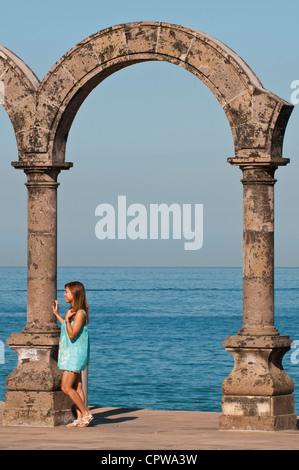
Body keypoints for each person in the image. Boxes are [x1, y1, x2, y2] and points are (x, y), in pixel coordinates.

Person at [52, 281, 93, 428]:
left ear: (75, 294)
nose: (64, 294)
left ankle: (86, 413)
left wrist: (68, 319)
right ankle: (81, 418)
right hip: (72, 354)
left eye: (67, 292)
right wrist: (58, 315)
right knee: (77, 387)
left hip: (74, 356)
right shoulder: (74, 310)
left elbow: (72, 334)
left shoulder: (80, 313)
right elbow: (67, 326)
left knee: (66, 387)